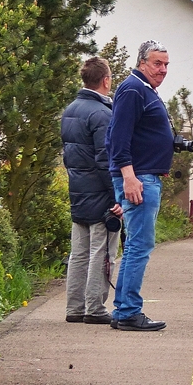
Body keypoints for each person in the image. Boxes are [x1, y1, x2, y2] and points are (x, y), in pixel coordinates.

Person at [106, 40, 174, 332]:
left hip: (146, 173)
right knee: (139, 246)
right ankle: (129, 312)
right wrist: (129, 176)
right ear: (142, 62)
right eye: (157, 63)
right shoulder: (133, 89)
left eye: (166, 64)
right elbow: (118, 137)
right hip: (138, 178)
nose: (163, 70)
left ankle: (124, 308)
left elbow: (141, 134)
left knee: (136, 245)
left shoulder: (142, 89)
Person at [61, 56, 123, 325]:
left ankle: (74, 307)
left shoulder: (70, 110)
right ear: (106, 80)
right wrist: (116, 197)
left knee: (79, 252)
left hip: (78, 190)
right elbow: (105, 159)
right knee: (103, 251)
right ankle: (95, 308)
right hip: (100, 193)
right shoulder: (102, 114)